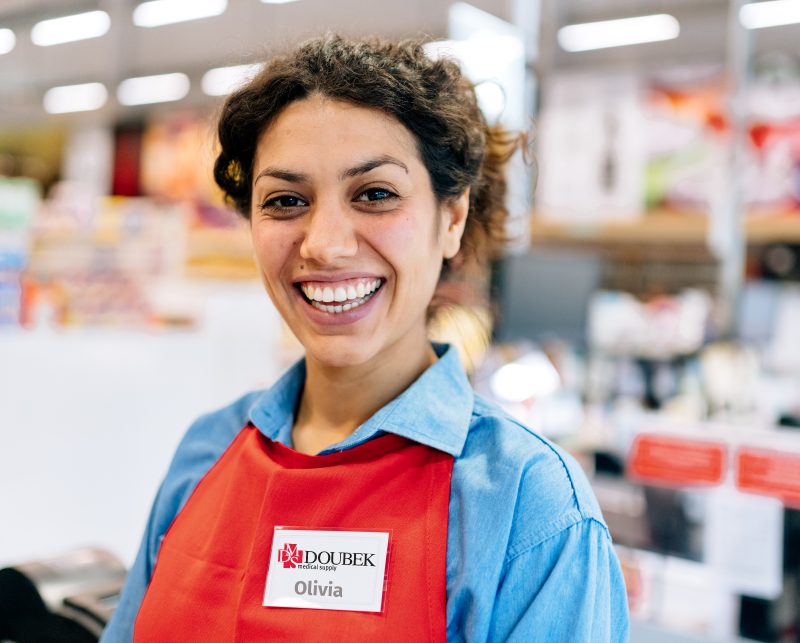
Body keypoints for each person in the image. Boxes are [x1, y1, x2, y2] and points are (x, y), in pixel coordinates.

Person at [101, 35, 629, 642]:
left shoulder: (528, 507)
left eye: (375, 194)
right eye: (286, 201)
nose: (324, 244)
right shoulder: (208, 449)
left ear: (451, 218)